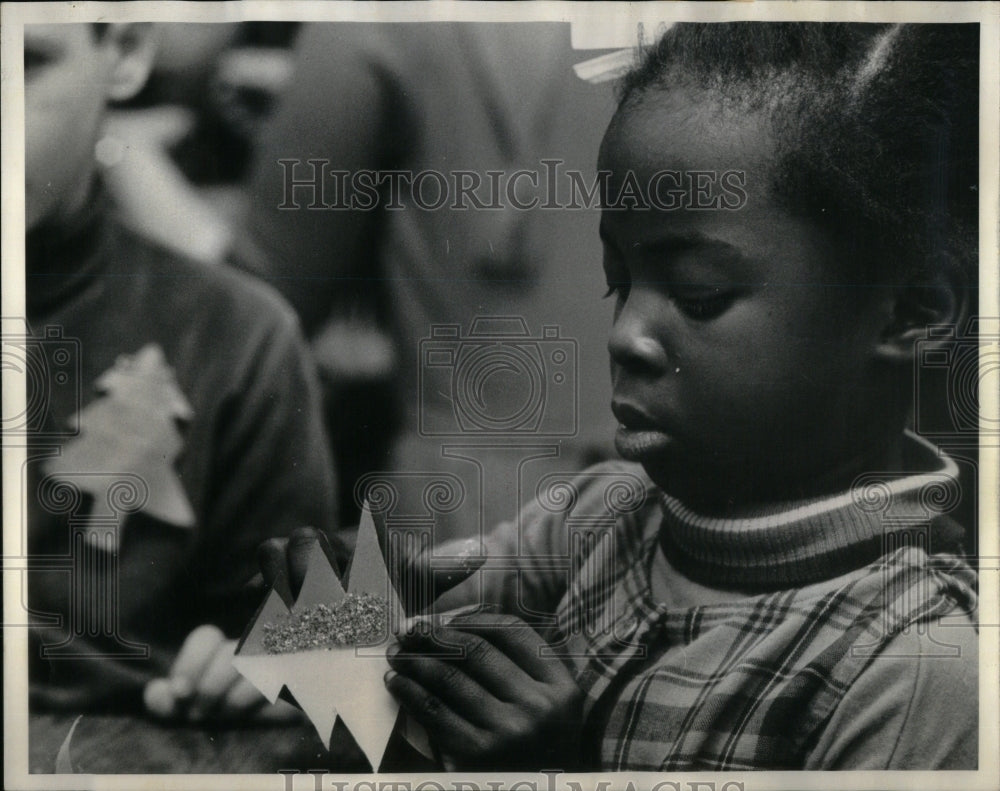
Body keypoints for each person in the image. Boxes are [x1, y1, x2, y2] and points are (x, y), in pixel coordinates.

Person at [261, 22, 979, 771]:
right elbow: (366, 733)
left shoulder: (921, 667)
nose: (625, 332)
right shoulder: (592, 524)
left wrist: (548, 773)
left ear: (912, 311)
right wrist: (333, 619)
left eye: (700, 294)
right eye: (618, 280)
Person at [24, 23, 337, 725]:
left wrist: (265, 680)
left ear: (126, 55)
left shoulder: (234, 337)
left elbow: (310, 671)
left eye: (24, 61)